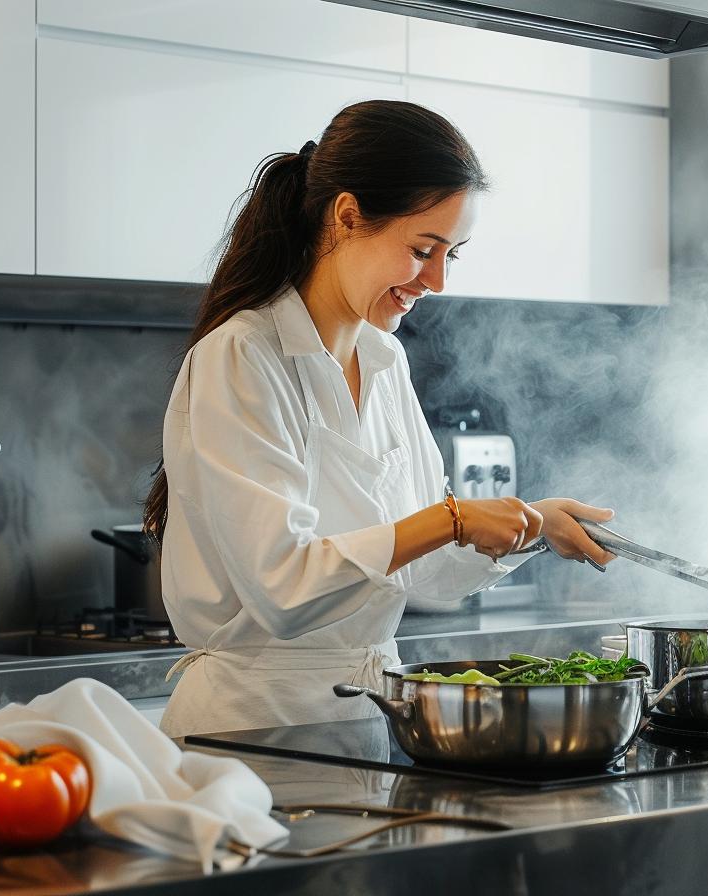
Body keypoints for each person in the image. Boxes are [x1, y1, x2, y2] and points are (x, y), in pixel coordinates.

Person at [144, 100, 616, 738]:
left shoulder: (385, 358)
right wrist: (452, 517)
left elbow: (426, 573)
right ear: (346, 217)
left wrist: (532, 525)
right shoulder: (242, 355)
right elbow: (284, 590)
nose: (438, 281)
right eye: (423, 249)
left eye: (454, 254)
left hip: (370, 717)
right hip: (251, 730)